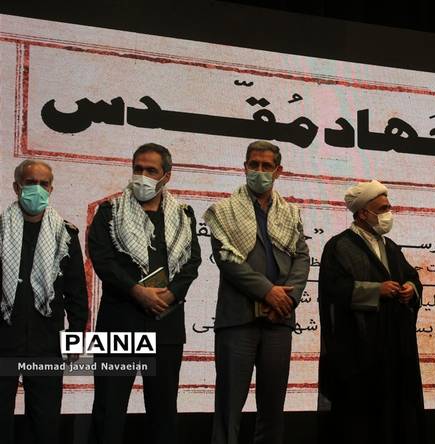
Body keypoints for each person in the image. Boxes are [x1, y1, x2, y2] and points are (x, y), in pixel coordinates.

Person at [87, 143, 201, 444]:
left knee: (163, 413)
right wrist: (136, 291)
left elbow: (192, 263)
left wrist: (171, 295)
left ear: (166, 176)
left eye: (151, 170)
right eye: (138, 168)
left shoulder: (184, 215)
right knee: (108, 410)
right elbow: (102, 259)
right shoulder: (110, 212)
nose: (142, 176)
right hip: (119, 324)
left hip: (166, 325)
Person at [204, 141, 310, 444]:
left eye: (266, 166)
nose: (259, 171)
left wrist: (287, 299)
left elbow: (302, 258)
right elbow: (228, 261)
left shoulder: (290, 213)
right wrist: (268, 292)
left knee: (273, 410)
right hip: (238, 321)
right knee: (228, 409)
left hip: (279, 320)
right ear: (245, 167)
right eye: (254, 165)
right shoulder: (224, 211)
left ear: (278, 171)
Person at [318, 179, 425, 444]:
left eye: (388, 207)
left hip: (393, 348)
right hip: (358, 351)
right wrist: (376, 291)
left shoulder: (391, 247)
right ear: (363, 213)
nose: (388, 213)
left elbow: (411, 276)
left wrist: (411, 288)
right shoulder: (339, 246)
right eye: (382, 209)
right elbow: (333, 290)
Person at [0, 159, 88, 444]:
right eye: (30, 183)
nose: (36, 189)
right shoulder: (0, 230)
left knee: (45, 422)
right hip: (4, 339)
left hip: (46, 341)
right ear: (17, 187)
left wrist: (76, 335)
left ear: (51, 189)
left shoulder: (65, 234)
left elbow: (76, 289)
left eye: (43, 184)